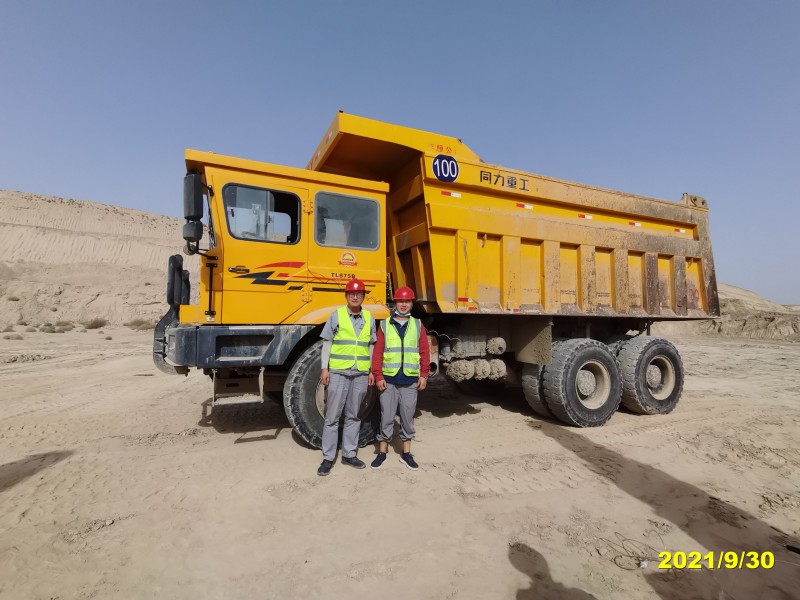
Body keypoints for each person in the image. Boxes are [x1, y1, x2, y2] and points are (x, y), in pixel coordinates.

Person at [317, 278, 376, 476]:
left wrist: (371, 371)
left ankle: (349, 454)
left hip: (360, 373)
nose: (355, 296)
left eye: (359, 293)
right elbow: (327, 343)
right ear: (346, 295)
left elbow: (370, 346)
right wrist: (324, 369)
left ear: (363, 296)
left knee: (353, 415)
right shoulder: (337, 316)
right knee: (332, 417)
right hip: (338, 372)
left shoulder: (369, 318)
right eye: (352, 293)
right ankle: (328, 457)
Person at [370, 286, 430, 471]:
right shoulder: (385, 325)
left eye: (407, 301)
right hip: (388, 381)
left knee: (407, 417)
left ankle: (406, 453)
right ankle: (382, 452)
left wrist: (424, 374)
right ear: (395, 303)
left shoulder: (418, 325)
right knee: (386, 417)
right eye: (400, 301)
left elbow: (424, 351)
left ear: (411, 304)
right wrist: (378, 375)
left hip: (409, 381)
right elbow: (378, 353)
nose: (404, 304)